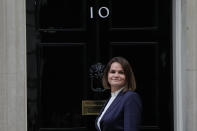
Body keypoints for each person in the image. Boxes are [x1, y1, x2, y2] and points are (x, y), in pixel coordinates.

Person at [95, 57, 142, 131]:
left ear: (127, 77)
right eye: (112, 72)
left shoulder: (130, 97)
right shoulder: (111, 98)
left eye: (121, 72)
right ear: (107, 75)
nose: (116, 75)